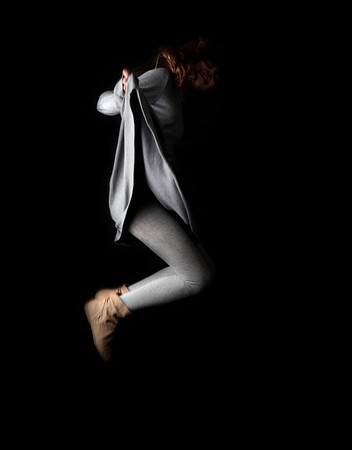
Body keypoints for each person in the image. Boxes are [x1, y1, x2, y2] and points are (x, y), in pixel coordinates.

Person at [84, 36, 221, 362]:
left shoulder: (177, 99)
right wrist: (123, 90)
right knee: (198, 276)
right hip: (138, 198)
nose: (211, 74)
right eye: (209, 66)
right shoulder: (161, 80)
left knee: (203, 271)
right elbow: (105, 104)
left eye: (216, 75)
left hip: (153, 198)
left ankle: (112, 303)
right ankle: (109, 309)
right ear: (193, 59)